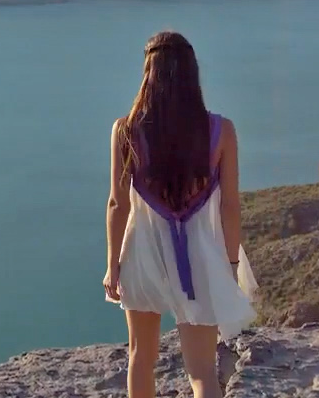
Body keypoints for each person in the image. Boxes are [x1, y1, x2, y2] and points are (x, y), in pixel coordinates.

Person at [103, 31, 257, 398]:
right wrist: (232, 264)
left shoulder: (125, 130)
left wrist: (112, 265)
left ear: (148, 74)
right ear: (193, 74)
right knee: (202, 370)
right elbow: (230, 206)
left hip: (143, 254)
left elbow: (117, 204)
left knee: (141, 357)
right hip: (202, 257)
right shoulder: (222, 131)